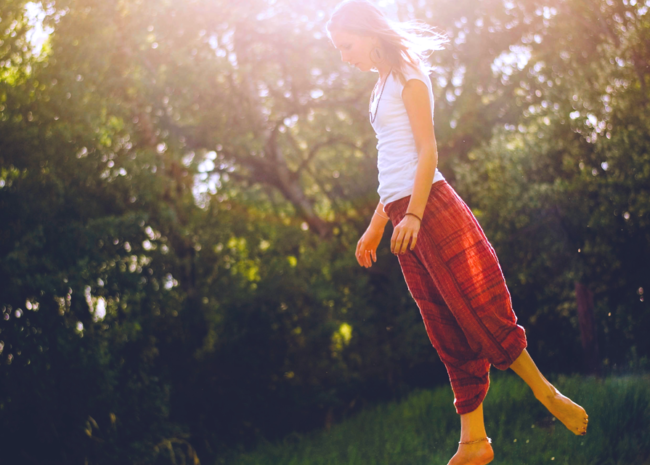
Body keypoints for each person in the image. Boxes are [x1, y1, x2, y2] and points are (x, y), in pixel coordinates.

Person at [326, 1, 588, 464]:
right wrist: (376, 224)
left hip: (430, 208)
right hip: (403, 212)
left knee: (479, 306)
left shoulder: (408, 74)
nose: (344, 56)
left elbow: (428, 153)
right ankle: (474, 441)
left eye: (346, 46)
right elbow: (393, 165)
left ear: (367, 33)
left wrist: (414, 216)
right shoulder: (379, 86)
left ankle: (547, 393)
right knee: (444, 324)